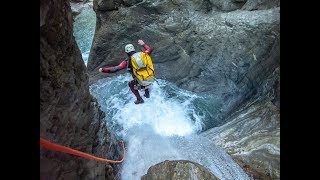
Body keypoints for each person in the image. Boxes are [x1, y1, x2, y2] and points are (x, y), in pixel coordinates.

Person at [98, 39, 155, 104]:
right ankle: (146, 92)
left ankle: (139, 99)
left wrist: (103, 70)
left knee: (131, 84)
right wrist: (143, 44)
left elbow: (115, 69)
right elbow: (148, 49)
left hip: (141, 80)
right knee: (143, 76)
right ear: (134, 50)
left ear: (126, 52)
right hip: (151, 77)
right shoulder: (144, 54)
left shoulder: (127, 61)